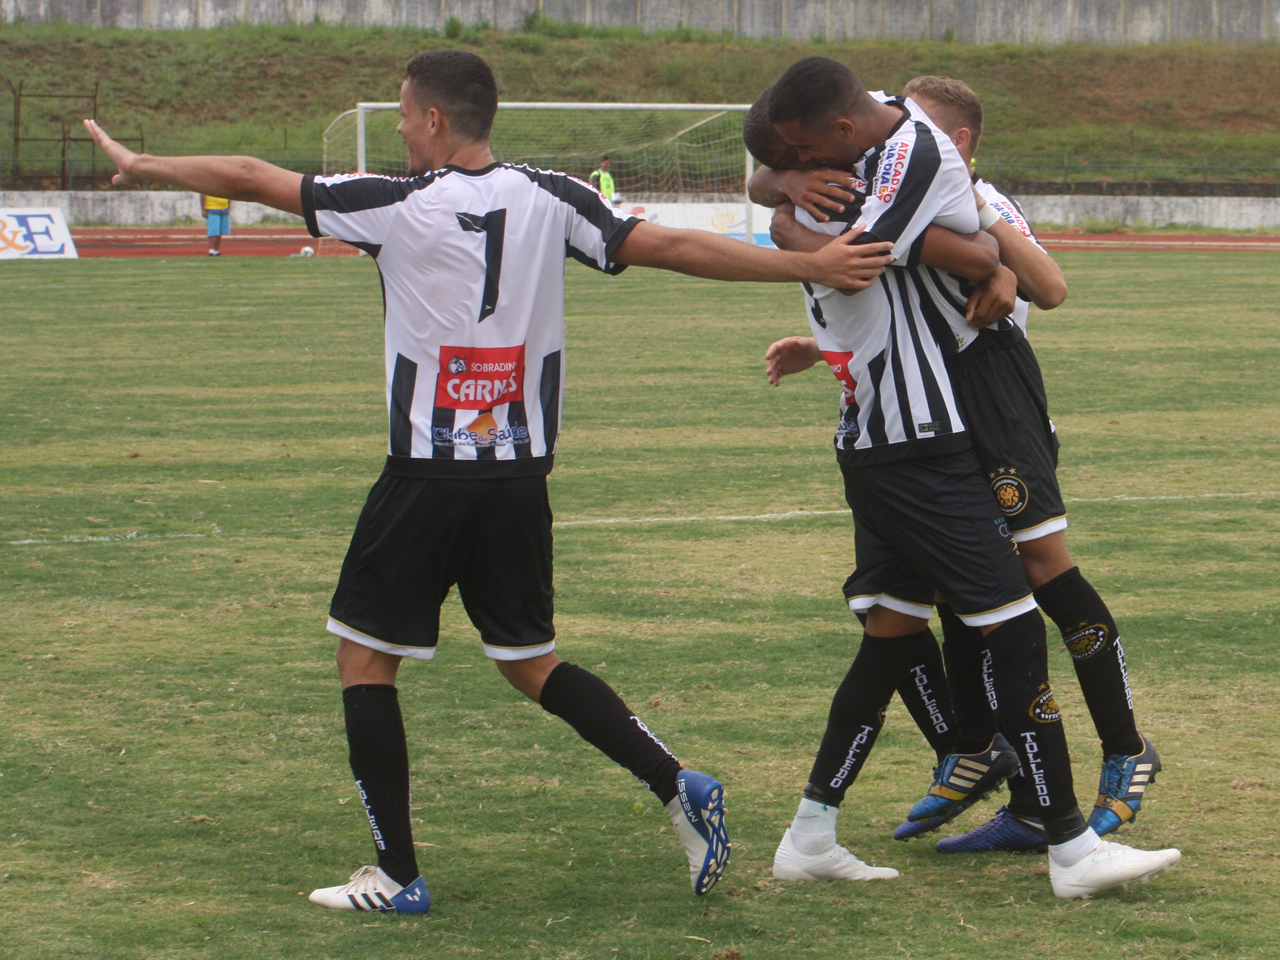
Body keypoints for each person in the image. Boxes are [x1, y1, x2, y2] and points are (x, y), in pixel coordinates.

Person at [85, 50, 895, 915]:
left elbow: (252, 175)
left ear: (435, 120)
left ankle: (396, 876)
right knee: (530, 662)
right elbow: (669, 246)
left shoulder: (392, 202)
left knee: (364, 660)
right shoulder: (553, 195)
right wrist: (805, 265)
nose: (401, 129)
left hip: (430, 473)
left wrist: (145, 164)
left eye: (405, 115)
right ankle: (676, 783)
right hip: (518, 475)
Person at [746, 56, 1179, 900]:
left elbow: (1039, 282)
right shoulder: (852, 174)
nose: (813, 171)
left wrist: (992, 259)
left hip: (937, 415)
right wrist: (797, 219)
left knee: (905, 627)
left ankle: (815, 830)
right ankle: (1064, 837)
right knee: (1008, 623)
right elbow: (854, 243)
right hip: (917, 439)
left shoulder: (917, 161)